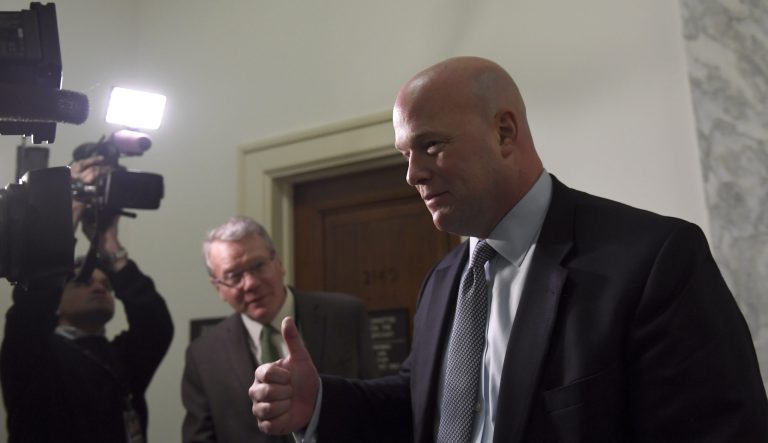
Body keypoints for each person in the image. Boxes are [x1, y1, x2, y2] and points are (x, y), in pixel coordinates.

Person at [248, 56, 768, 442]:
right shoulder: (445, 278)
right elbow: (420, 402)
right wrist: (320, 402)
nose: (413, 174)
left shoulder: (652, 259)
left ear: (504, 132)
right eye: (405, 154)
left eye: (431, 145)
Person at [0, 155, 174, 443]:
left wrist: (109, 246)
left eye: (106, 283)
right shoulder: (33, 354)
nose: (98, 287)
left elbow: (155, 324)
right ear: (56, 300)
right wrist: (67, 212)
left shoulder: (118, 358)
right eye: (82, 281)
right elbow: (32, 305)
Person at [181, 216, 377, 443]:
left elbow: (373, 403)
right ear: (218, 288)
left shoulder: (345, 315)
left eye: (258, 266)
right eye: (234, 276)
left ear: (279, 263)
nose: (251, 283)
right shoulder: (203, 355)